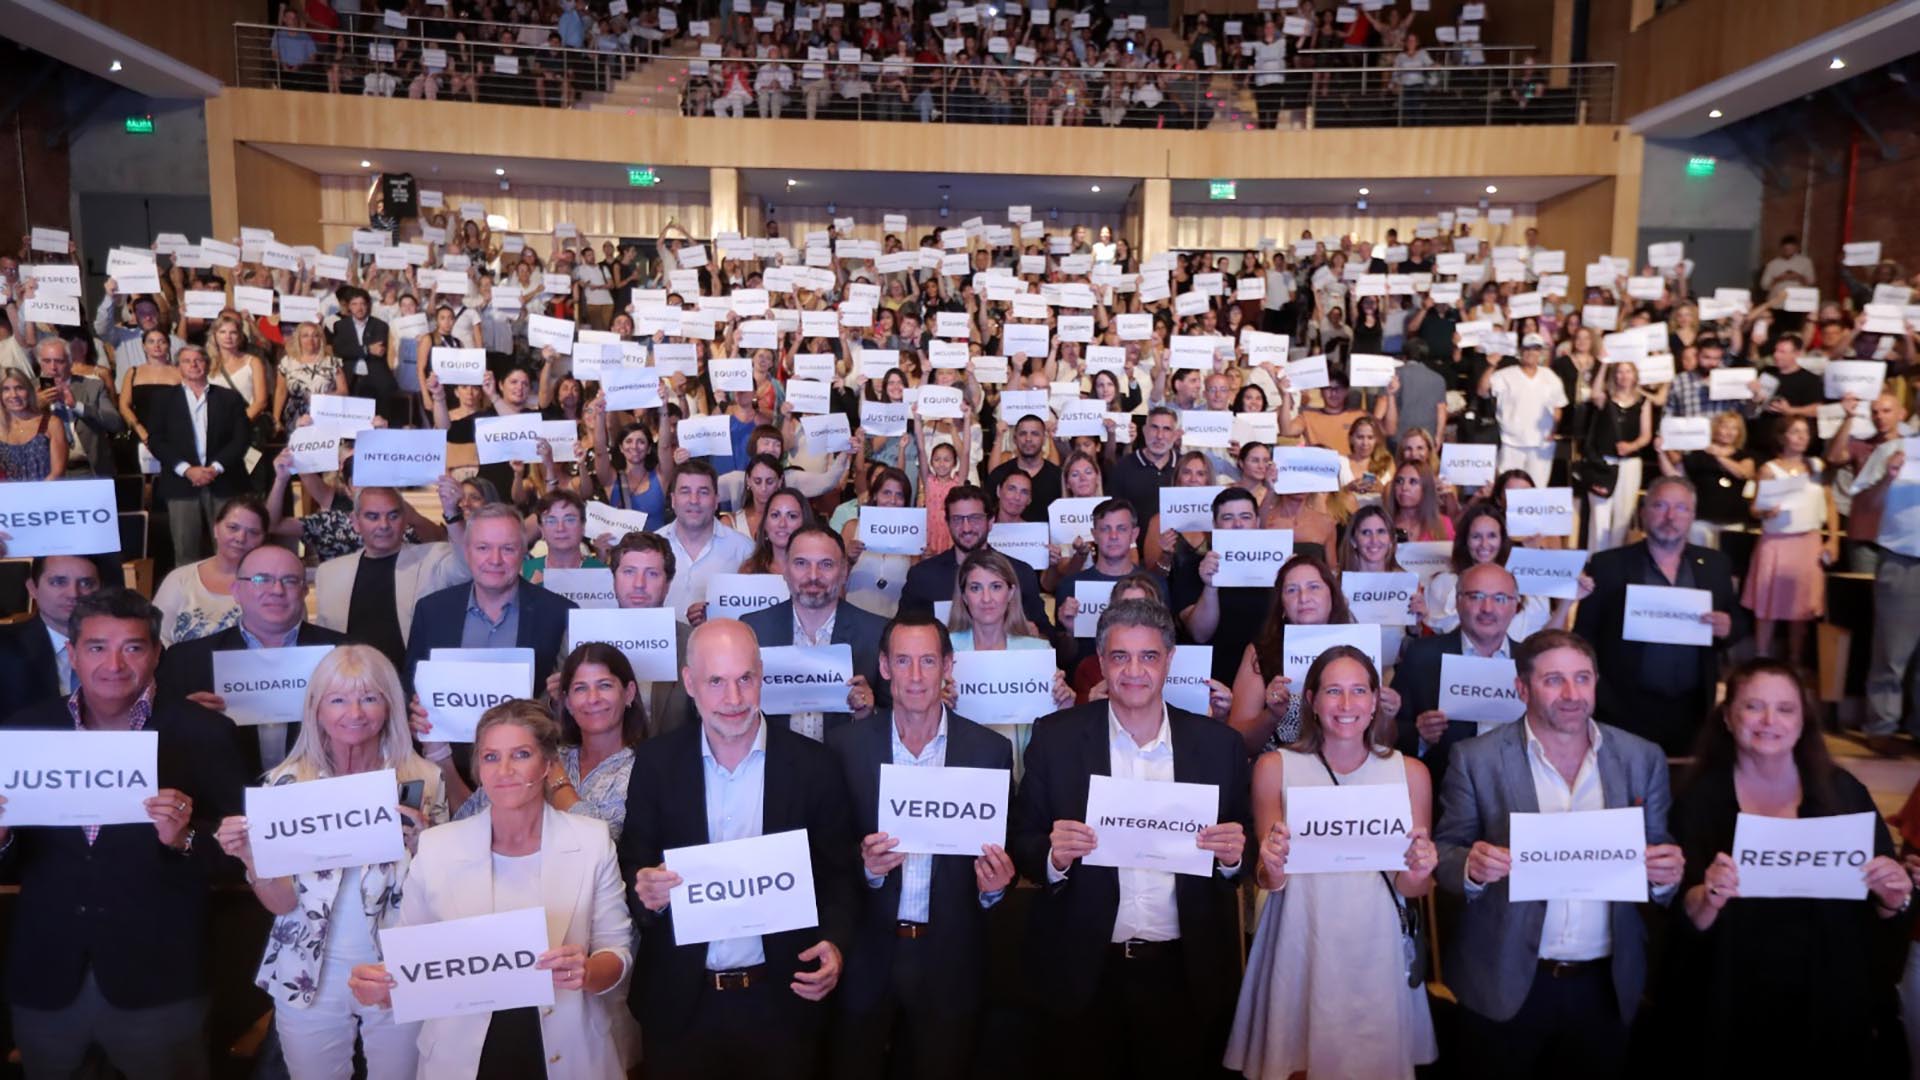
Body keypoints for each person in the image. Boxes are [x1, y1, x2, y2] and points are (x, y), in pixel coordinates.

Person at [0, 588, 246, 1080]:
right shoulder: (25, 733)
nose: (114, 663)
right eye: (96, 647)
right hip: (47, 977)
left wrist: (186, 838)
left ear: (156, 654)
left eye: (132, 647)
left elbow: (244, 854)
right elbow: (13, 861)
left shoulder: (204, 733)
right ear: (72, 653)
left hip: (160, 979)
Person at [1010, 599, 1252, 1077]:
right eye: (1120, 657)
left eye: (1149, 657)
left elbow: (1244, 852)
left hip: (1184, 974)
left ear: (1169, 661)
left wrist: (1231, 858)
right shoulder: (1055, 738)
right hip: (1083, 972)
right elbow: (1022, 840)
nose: (1134, 671)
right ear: (1101, 663)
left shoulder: (1218, 746)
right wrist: (1053, 856)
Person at [1432, 629, 1686, 1080]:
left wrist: (1666, 875)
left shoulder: (1642, 758)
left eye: (1582, 678)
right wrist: (1470, 866)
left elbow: (1657, 858)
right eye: (1553, 681)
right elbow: (1446, 853)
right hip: (1503, 980)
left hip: (1605, 985)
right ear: (1522, 689)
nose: (1572, 694)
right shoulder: (1476, 758)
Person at [618, 618, 857, 1080]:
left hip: (782, 1002)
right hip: (681, 1006)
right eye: (716, 682)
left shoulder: (814, 766)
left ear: (762, 675)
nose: (733, 699)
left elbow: (839, 876)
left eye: (745, 679)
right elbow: (633, 862)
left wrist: (835, 943)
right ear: (689, 683)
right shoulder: (656, 763)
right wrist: (643, 890)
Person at [349, 700, 637, 1079]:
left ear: (549, 765)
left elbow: (617, 952)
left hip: (568, 1048)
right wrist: (380, 987)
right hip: (461, 1054)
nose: (504, 771)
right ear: (478, 769)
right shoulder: (438, 848)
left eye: (521, 755)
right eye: (490, 757)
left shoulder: (592, 841)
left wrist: (587, 971)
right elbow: (410, 963)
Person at [1655, 659, 1912, 1077]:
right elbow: (1678, 922)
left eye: (1786, 709)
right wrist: (1708, 896)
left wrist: (1895, 898)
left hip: (1827, 1004)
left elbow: (1884, 915)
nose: (1770, 721)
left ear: (1803, 720)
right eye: (1754, 707)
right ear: (1727, 716)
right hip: (1729, 1003)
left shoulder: (1845, 793)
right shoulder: (1698, 801)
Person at [212, 645, 443, 1080]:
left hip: (400, 969)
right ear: (316, 708)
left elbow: (446, 897)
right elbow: (281, 905)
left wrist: (425, 846)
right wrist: (250, 856)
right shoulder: (285, 783)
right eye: (338, 699)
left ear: (390, 705)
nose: (354, 712)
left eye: (369, 697)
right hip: (308, 972)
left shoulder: (425, 781)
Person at [1225, 646, 1438, 1079]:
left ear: (1376, 700)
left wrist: (1420, 870)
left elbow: (1412, 886)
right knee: (1297, 1062)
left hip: (1375, 937)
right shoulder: (1274, 767)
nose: (1346, 705)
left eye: (1359, 691)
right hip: (1299, 930)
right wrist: (1272, 861)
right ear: (1311, 700)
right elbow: (1269, 879)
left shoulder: (1410, 772)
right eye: (1333, 691)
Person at [825, 612, 1017, 1080]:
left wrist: (994, 888)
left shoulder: (989, 751)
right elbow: (826, 857)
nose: (915, 677)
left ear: (948, 666)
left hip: (950, 954)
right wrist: (866, 867)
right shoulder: (844, 748)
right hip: (868, 952)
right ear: (884, 667)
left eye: (928, 661)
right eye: (903, 661)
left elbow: (999, 860)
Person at [403, 501, 578, 788]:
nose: (495, 560)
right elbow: (410, 683)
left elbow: (570, 707)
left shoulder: (559, 614)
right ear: (467, 551)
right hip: (446, 769)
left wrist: (561, 698)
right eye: (483, 548)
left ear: (523, 553)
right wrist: (415, 710)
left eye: (507, 549)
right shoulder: (431, 611)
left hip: (528, 776)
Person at [1574, 476, 1744, 755]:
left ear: (1692, 516)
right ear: (1643, 513)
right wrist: (1599, 694)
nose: (1670, 516)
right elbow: (1584, 635)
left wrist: (1728, 627)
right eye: (1660, 506)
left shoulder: (1715, 565)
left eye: (1681, 508)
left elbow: (1738, 623)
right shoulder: (1608, 565)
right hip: (1623, 709)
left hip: (1691, 710)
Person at [154, 542, 348, 775]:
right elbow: (160, 741)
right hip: (223, 804)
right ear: (236, 591)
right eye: (261, 580)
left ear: (305, 591)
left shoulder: (344, 653)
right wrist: (185, 717)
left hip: (319, 796)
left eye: (289, 580)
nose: (277, 590)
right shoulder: (185, 661)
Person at [463, 643, 648, 842]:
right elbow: (469, 818)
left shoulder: (648, 769)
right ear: (567, 702)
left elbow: (602, 840)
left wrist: (556, 777)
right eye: (580, 688)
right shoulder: (547, 755)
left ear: (628, 693)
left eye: (604, 685)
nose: (592, 698)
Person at [1229, 552, 1402, 754]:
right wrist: (1272, 715)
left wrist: (1387, 714)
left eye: (1313, 587)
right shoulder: (1260, 654)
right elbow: (1237, 742)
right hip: (1280, 767)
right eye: (1292, 590)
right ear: (1282, 605)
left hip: (1352, 767)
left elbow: (1383, 741)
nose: (1303, 598)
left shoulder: (1360, 647)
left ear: (1332, 595)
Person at [740, 524, 888, 741]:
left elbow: (899, 720)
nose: (813, 575)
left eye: (826, 564)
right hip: (773, 766)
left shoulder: (876, 633)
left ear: (844, 572)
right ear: (785, 571)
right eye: (801, 563)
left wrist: (869, 713)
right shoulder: (753, 630)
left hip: (844, 767)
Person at [312, 482, 470, 672]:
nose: (384, 525)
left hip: (414, 685)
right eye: (373, 516)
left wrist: (452, 514)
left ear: (405, 519)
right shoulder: (330, 573)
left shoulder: (433, 557)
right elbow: (324, 645)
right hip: (353, 686)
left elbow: (468, 568)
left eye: (393, 516)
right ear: (355, 522)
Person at [1393, 562, 1526, 788]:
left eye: (1500, 598)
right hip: (1443, 791)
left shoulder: (1531, 663)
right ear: (1458, 601)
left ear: (1515, 606)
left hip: (1515, 792)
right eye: (1476, 596)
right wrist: (1421, 737)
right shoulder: (1422, 656)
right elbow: (1391, 731)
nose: (1487, 608)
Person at [1741, 414, 1838, 661]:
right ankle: (1762, 656)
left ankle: (1795, 660)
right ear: (1783, 437)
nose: (1802, 437)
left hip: (1808, 541)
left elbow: (1829, 503)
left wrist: (1833, 539)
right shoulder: (1769, 469)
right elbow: (1754, 508)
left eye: (1805, 432)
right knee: (1767, 604)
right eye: (1796, 432)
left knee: (1801, 606)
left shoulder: (1816, 466)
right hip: (1777, 541)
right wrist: (1766, 510)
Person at [143, 344, 251, 565]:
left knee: (230, 549)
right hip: (181, 484)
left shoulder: (229, 398)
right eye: (186, 361)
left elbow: (241, 439)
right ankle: (189, 598)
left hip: (224, 481)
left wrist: (215, 468)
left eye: (198, 360)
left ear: (208, 364)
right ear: (178, 367)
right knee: (185, 550)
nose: (193, 365)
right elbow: (156, 440)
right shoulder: (163, 399)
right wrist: (186, 470)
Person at [899, 484, 1053, 632]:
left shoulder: (1020, 573)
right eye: (957, 519)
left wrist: (1035, 633)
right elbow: (900, 635)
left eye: (975, 518)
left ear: (991, 521)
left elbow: (1048, 638)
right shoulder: (922, 576)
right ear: (948, 523)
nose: (966, 528)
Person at [1850, 435, 1920, 753]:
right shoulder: (1892, 450)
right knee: (1892, 652)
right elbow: (1864, 505)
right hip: (1902, 560)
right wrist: (1888, 478)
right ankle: (1882, 727)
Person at [594, 531, 697, 735]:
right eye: (629, 572)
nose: (639, 584)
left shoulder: (691, 643)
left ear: (667, 584)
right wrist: (557, 699)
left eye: (652, 574)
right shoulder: (582, 635)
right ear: (613, 578)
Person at [1174, 486, 1275, 687]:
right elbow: (1199, 633)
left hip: (1267, 677)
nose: (1238, 524)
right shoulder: (1192, 567)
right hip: (1212, 679)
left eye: (1245, 517)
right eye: (1228, 517)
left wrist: (1292, 582)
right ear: (1214, 525)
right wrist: (1210, 586)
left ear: (1257, 522)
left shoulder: (1278, 566)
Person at [150, 493, 269, 647]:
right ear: (216, 529)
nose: (240, 538)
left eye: (253, 532)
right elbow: (156, 636)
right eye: (233, 528)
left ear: (263, 539)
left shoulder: (274, 583)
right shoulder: (179, 578)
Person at [0, 555, 100, 717]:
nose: (74, 594)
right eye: (59, 582)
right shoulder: (4, 647)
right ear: (33, 588)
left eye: (86, 583)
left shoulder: (131, 647)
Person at [657, 459, 756, 623]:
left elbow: (754, 615)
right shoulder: (652, 547)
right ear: (673, 500)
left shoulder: (745, 551)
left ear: (716, 500)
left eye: (703, 492)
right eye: (685, 491)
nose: (694, 500)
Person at [1582, 358, 1653, 551]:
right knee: (1600, 515)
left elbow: (1646, 435)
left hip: (1630, 463)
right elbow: (1595, 392)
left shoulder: (1643, 401)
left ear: (1635, 375)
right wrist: (1604, 363)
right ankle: (1595, 559)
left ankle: (1613, 558)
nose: (1624, 376)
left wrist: (1632, 445)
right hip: (1603, 464)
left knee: (1623, 515)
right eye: (1620, 371)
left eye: (1628, 371)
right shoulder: (1605, 398)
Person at [1479, 333, 1567, 487]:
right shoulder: (1505, 374)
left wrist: (1553, 430)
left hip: (1541, 445)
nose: (1531, 353)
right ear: (1520, 351)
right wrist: (1492, 365)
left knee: (1537, 489)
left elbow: (1558, 405)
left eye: (1535, 349)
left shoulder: (1551, 376)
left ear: (1541, 352)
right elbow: (1482, 390)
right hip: (1511, 443)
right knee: (1507, 489)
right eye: (1527, 349)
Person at [32, 337, 124, 478]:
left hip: (87, 470)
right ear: (39, 362)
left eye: (59, 361)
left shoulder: (92, 386)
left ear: (70, 362)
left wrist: (77, 406)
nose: (53, 368)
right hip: (46, 471)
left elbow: (115, 423)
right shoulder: (28, 390)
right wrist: (34, 407)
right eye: (47, 361)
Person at [1105, 405, 1180, 528]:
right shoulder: (1123, 468)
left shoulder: (1185, 467)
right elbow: (1114, 516)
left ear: (1175, 435)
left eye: (1166, 429)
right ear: (1144, 430)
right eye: (1154, 427)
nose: (1159, 436)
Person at [986, 414, 1063, 522]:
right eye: (1023, 434)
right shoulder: (999, 475)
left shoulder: (1059, 477)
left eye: (1035, 434)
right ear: (1014, 439)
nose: (1028, 439)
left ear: (1044, 439)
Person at [0, 368, 65, 481]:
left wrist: (35, 495)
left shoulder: (52, 423)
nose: (13, 395)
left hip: (45, 494)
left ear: (29, 391)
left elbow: (57, 473)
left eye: (19, 388)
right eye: (6, 389)